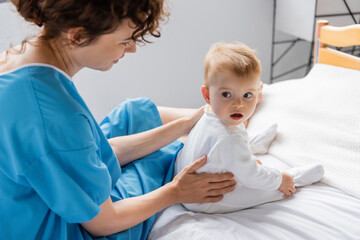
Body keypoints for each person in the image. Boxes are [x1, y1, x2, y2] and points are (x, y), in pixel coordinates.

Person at [0, 1, 238, 239]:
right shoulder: (55, 116)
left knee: (133, 112)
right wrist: (175, 191)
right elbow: (104, 223)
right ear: (78, 36)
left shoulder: (19, 60)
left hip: (42, 192)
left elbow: (90, 151)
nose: (132, 48)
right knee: (162, 159)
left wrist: (183, 125)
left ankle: (207, 120)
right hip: (68, 229)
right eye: (125, 41)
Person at [175, 42, 325, 214]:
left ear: (258, 91)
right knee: (264, 191)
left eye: (247, 95)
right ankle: (294, 178)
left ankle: (255, 145)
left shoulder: (209, 113)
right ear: (207, 95)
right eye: (226, 94)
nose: (238, 104)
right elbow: (252, 175)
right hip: (205, 200)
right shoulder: (229, 139)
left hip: (186, 176)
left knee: (233, 146)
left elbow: (222, 147)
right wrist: (279, 180)